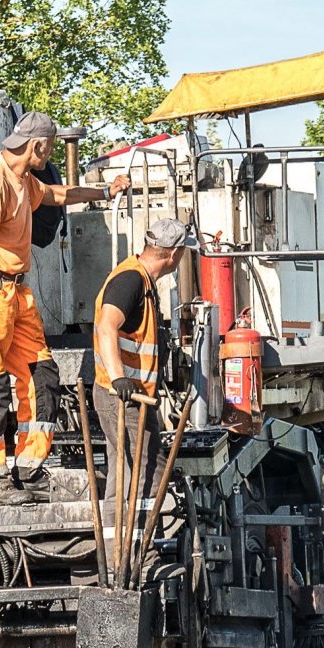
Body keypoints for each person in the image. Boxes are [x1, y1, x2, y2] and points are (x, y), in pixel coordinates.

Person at [0, 111, 129, 504]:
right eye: (47, 150)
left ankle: (29, 468)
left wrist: (104, 193)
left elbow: (58, 195)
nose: (48, 158)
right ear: (38, 146)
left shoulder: (22, 181)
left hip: (16, 295)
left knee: (42, 375)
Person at [92, 217, 195, 548]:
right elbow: (107, 326)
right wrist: (119, 377)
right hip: (122, 396)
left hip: (133, 398)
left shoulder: (144, 282)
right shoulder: (131, 281)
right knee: (147, 473)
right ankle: (140, 554)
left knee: (125, 475)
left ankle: (119, 554)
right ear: (173, 254)